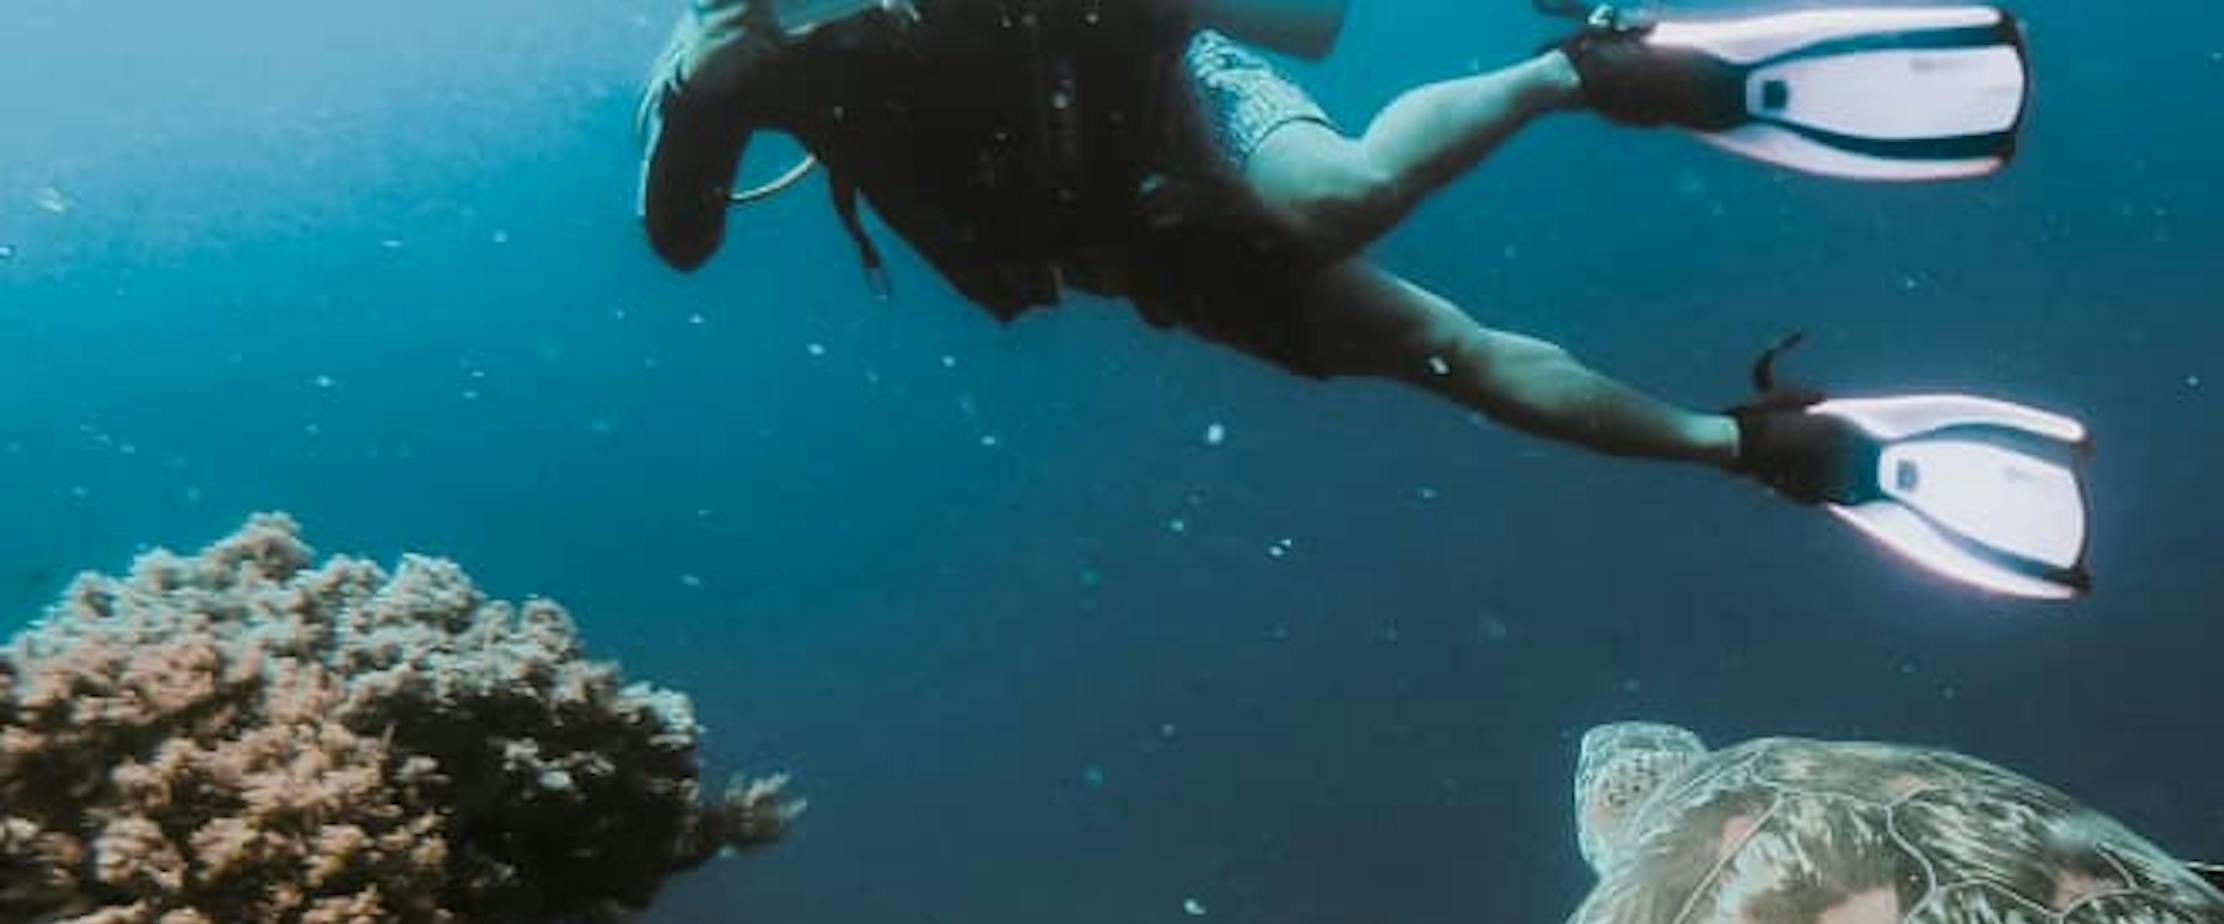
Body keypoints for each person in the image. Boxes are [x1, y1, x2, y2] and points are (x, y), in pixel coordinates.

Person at [638, 0, 2093, 597]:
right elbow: (683, 243)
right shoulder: (745, 49)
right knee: (1433, 352)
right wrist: (712, 98)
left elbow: (1309, 21)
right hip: (1127, 245)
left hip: (1185, 101)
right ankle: (1761, 447)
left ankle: (1586, 72)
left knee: (1331, 199)